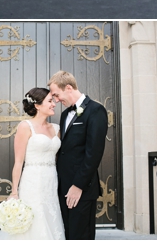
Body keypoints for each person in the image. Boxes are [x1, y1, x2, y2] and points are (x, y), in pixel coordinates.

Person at [48, 72, 108, 241]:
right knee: (66, 234)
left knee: (80, 235)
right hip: (62, 186)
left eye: (56, 95)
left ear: (68, 88)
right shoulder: (65, 115)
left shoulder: (96, 111)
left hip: (81, 188)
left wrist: (78, 185)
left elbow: (94, 153)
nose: (56, 100)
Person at [5, 87, 64, 240]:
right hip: (33, 181)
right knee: (35, 221)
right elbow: (18, 162)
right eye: (50, 101)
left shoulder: (56, 129)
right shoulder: (25, 126)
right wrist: (14, 192)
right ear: (37, 105)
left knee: (51, 216)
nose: (54, 104)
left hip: (51, 181)